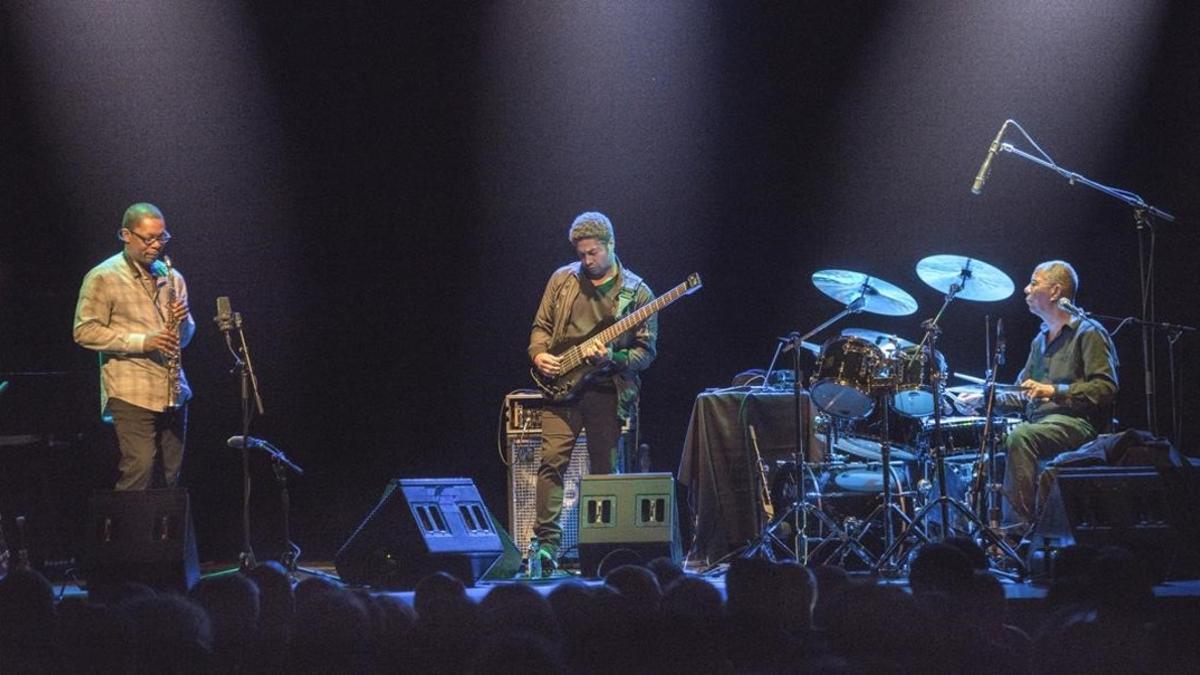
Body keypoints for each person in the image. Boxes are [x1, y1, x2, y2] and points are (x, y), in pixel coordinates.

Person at [528, 212, 657, 573]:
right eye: (581, 254)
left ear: (611, 245)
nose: (586, 261)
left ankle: (601, 548)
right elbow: (541, 327)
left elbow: (646, 353)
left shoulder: (639, 293)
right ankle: (547, 548)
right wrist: (539, 355)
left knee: (604, 472)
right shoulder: (562, 279)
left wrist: (612, 356)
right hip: (560, 386)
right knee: (551, 464)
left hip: (606, 391)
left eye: (593, 253)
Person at [959, 260, 1117, 536]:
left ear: (1055, 291)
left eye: (1034, 282)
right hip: (1040, 425)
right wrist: (984, 399)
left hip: (1078, 425)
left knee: (1021, 436)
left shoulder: (1089, 332)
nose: (1026, 289)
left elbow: (1105, 388)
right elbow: (1021, 395)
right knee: (993, 442)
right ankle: (975, 533)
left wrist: (1055, 391)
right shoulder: (1039, 340)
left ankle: (1017, 534)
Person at [74, 202, 195, 490]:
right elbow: (84, 331)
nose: (156, 245)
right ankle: (129, 535)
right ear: (125, 235)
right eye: (148, 238)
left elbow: (185, 338)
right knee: (139, 469)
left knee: (173, 476)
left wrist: (183, 321)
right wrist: (143, 342)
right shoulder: (103, 277)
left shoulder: (173, 277)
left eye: (161, 237)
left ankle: (169, 535)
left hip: (172, 389)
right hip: (130, 390)